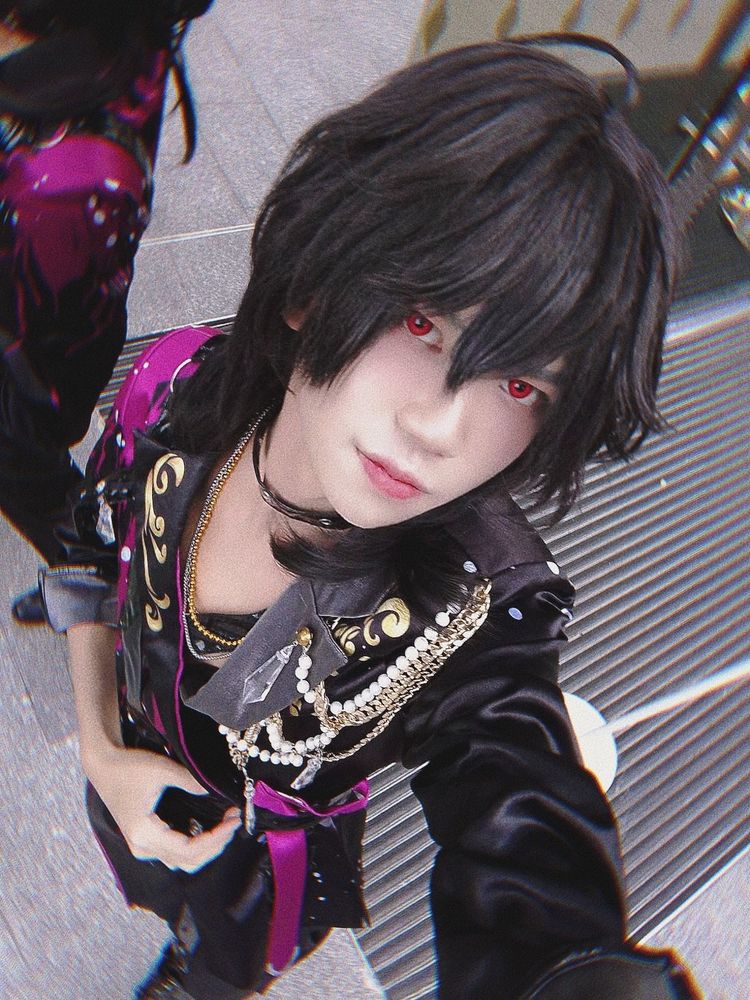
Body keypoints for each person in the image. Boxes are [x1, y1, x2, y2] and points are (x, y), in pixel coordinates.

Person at [40, 39, 699, 1000]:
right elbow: (91, 552)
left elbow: (516, 803)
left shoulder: (471, 616)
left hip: (257, 866)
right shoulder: (175, 386)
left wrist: (570, 971)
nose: (439, 426)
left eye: (521, 385)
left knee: (216, 967)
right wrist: (103, 752)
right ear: (313, 285)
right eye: (422, 321)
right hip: (132, 766)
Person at [0, 0, 212, 622]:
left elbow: (30, 326)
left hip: (40, 347)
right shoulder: (118, 38)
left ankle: (99, 576)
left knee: (25, 464)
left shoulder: (60, 178)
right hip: (65, 306)